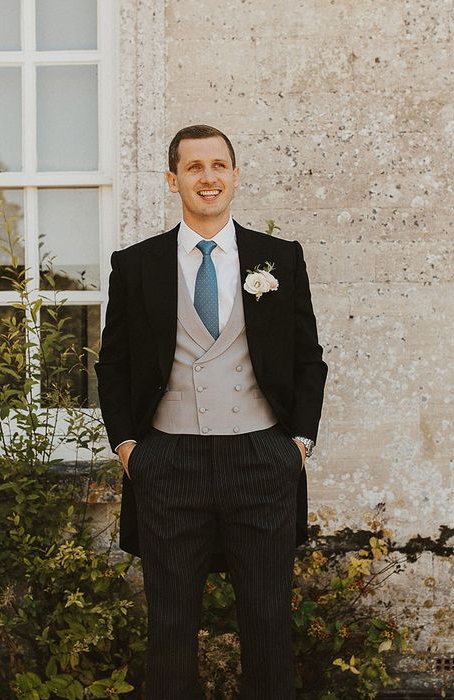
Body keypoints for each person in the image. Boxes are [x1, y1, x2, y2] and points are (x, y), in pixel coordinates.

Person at [95, 124, 327, 698]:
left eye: (219, 165)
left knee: (268, 623)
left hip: (262, 457)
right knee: (171, 627)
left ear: (236, 176)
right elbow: (114, 365)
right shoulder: (136, 264)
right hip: (168, 460)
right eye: (194, 167)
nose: (208, 177)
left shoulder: (280, 259)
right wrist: (128, 448)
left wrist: (297, 445)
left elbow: (308, 360)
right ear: (173, 179)